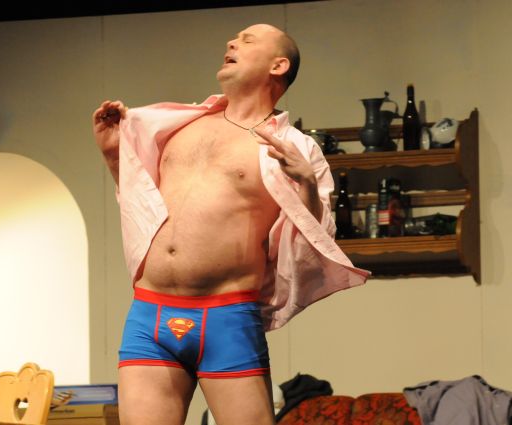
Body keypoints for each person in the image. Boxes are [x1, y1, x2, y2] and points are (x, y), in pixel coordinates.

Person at [92, 23, 369, 425]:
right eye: (234, 39)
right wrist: (113, 155)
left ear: (278, 65)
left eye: (247, 40)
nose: (231, 43)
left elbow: (312, 242)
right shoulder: (180, 126)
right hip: (150, 313)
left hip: (226, 318)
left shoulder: (293, 146)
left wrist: (307, 184)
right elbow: (141, 204)